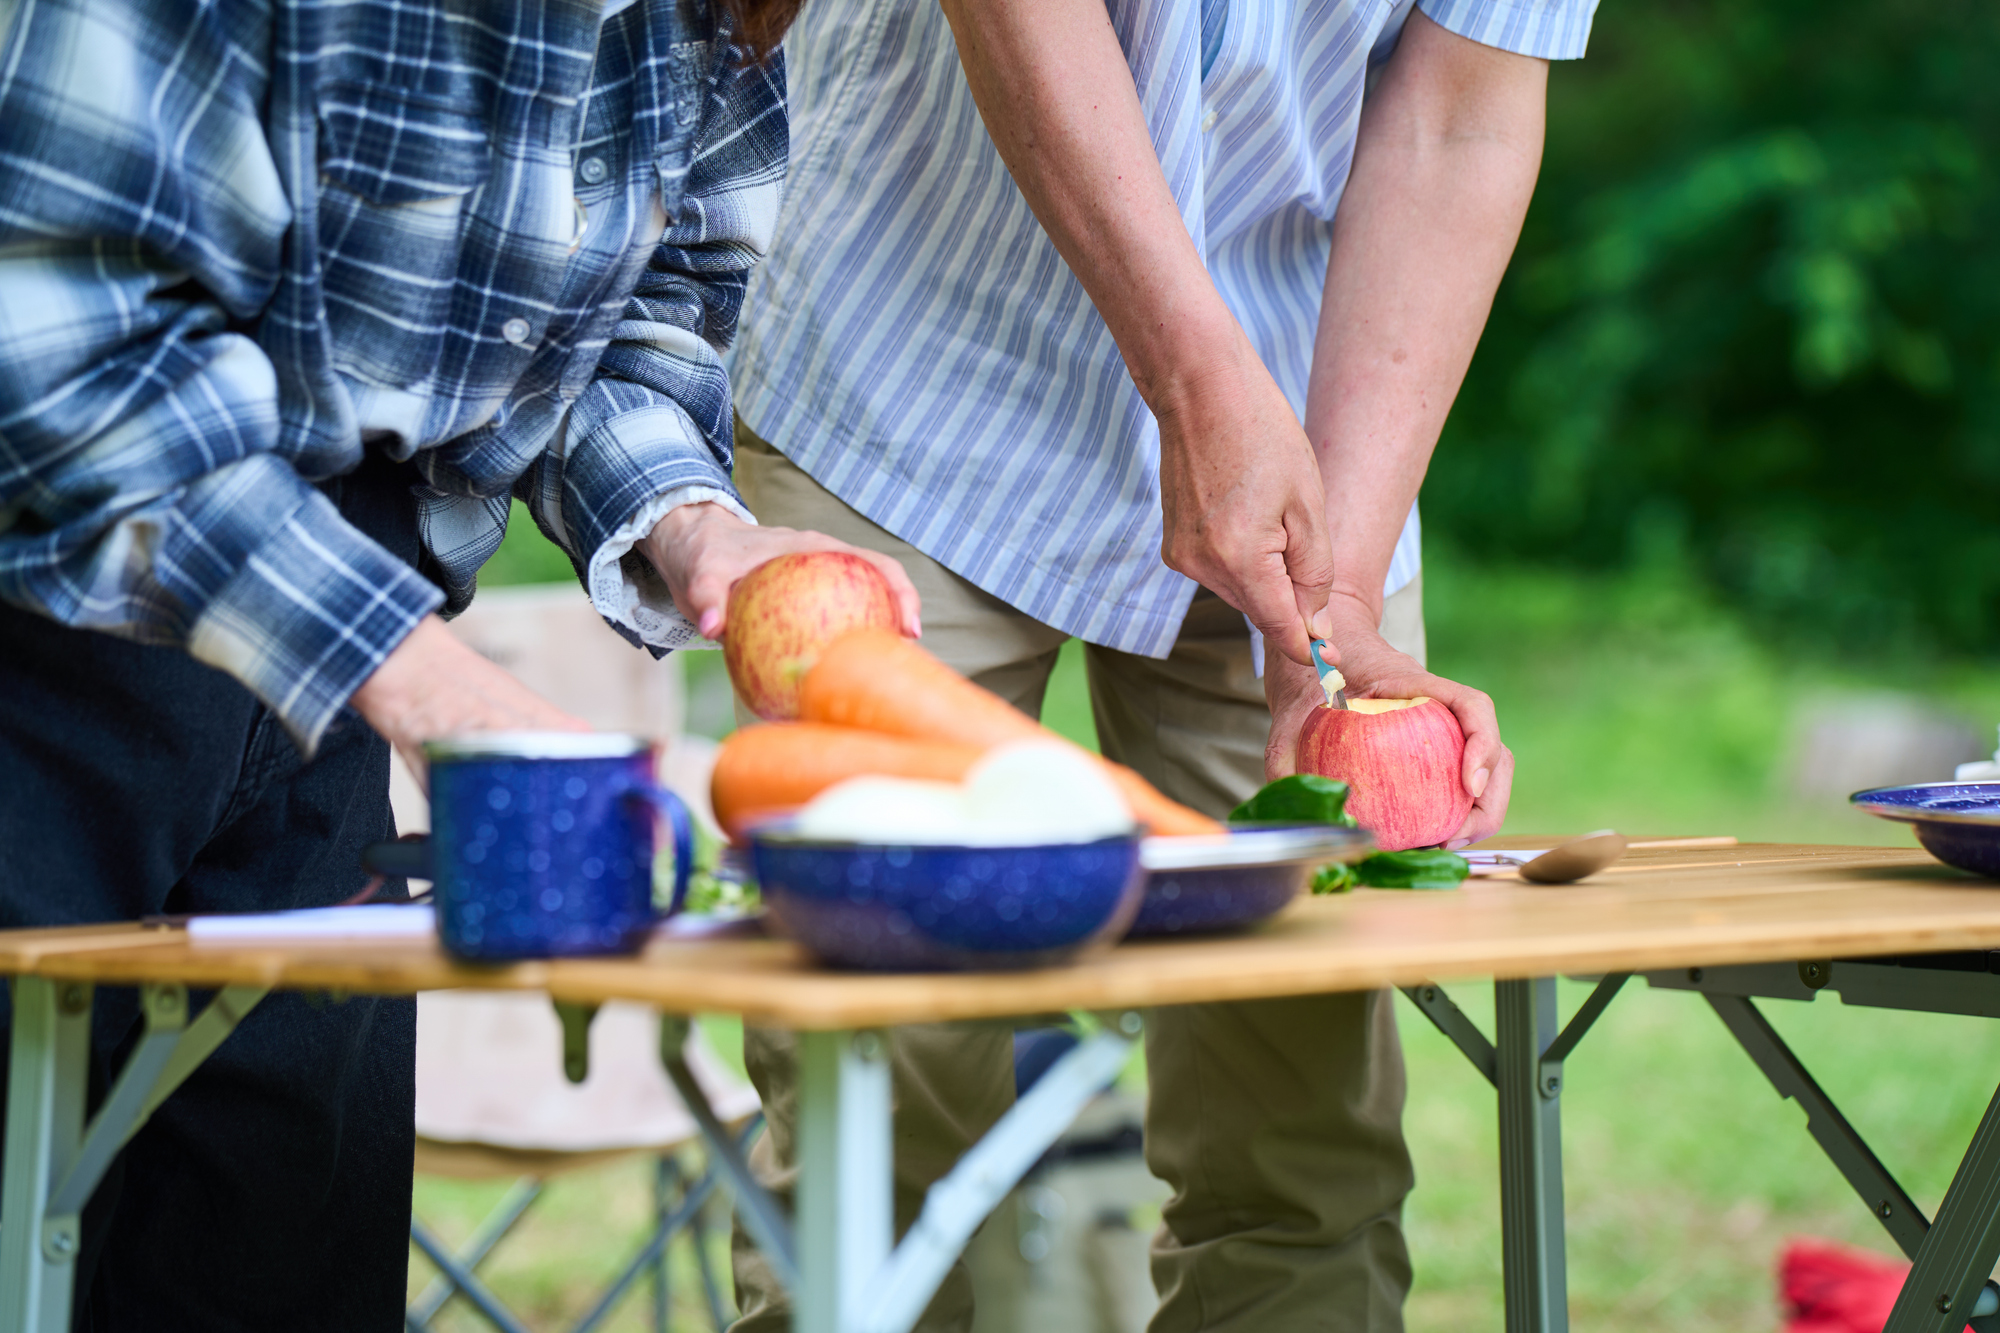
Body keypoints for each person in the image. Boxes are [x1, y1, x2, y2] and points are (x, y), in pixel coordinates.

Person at [0, 1, 913, 1325]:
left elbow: (626, 316)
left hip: (330, 657)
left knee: (276, 1263)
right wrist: (424, 679)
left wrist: (694, 522)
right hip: (55, 609)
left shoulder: (718, 18)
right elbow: (54, 334)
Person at [712, 0, 1591, 1329]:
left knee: (1299, 1136)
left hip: (1312, 409)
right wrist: (1190, 377)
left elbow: (1463, 107)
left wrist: (1340, 592)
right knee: (880, 1106)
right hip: (912, 359)